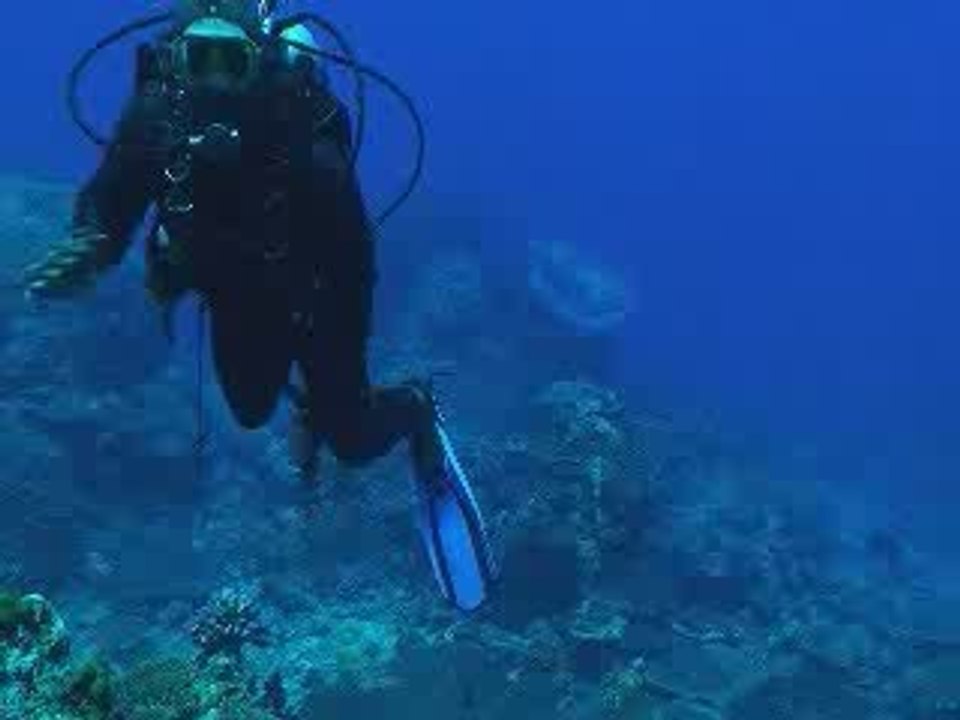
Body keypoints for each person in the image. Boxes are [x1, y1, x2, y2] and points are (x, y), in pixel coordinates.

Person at [22, 0, 495, 611]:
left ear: (259, 61)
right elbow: (113, 197)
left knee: (351, 440)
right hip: (235, 297)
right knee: (248, 410)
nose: (217, 82)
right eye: (202, 60)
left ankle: (414, 408)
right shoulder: (157, 115)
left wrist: (341, 371)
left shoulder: (300, 133)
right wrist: (93, 244)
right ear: (176, 60)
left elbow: (355, 259)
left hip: (318, 298)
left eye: (233, 61)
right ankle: (309, 407)